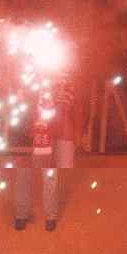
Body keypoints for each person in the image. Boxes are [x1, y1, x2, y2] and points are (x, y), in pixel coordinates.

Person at [15, 73, 77, 232]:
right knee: (23, 175)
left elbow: (67, 106)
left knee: (50, 176)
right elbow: (20, 100)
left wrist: (57, 97)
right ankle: (21, 214)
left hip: (51, 135)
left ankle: (50, 216)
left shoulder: (64, 79)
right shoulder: (30, 76)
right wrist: (24, 94)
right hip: (27, 134)